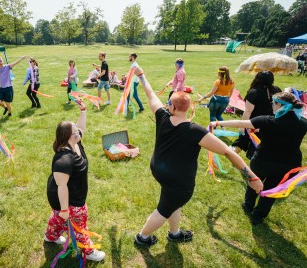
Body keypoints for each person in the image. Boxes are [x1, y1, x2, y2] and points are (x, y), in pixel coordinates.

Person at [131, 66, 263, 246]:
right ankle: (142, 237)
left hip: (159, 169)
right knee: (164, 209)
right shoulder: (195, 131)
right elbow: (226, 151)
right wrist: (252, 176)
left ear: (172, 106)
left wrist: (142, 75)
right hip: (178, 180)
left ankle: (174, 233)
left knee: (172, 202)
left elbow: (151, 94)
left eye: (168, 102)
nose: (165, 104)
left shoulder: (162, 116)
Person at [210, 92, 307, 225]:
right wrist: (261, 131)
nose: (272, 106)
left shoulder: (267, 120)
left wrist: (216, 122)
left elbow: (240, 122)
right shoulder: (302, 122)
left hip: (263, 161)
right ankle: (258, 215)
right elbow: (284, 134)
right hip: (288, 165)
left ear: (280, 105)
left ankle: (248, 205)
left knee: (254, 181)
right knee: (270, 191)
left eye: (274, 103)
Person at [45, 100, 105, 262]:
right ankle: (88, 251)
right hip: (66, 197)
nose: (78, 132)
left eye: (76, 130)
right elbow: (61, 186)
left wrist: (83, 111)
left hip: (69, 193)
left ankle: (50, 236)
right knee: (79, 224)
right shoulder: (63, 160)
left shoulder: (75, 142)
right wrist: (65, 209)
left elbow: (82, 128)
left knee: (58, 217)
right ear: (66, 137)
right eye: (74, 132)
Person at [231, 71, 281, 159]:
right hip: (270, 123)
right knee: (259, 143)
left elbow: (248, 111)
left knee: (244, 141)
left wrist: (242, 125)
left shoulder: (254, 92)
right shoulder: (277, 90)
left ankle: (237, 159)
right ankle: (235, 159)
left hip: (254, 123)